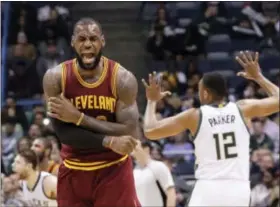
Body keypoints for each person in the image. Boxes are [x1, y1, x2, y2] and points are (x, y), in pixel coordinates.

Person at [142, 51, 280, 206]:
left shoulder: (195, 116)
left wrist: (151, 101)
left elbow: (150, 130)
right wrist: (258, 77)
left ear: (206, 94)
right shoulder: (242, 109)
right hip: (239, 189)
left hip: (210, 187)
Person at [43, 17, 141, 206]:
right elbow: (64, 133)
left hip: (114, 170)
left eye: (93, 39)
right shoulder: (56, 78)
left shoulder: (122, 79)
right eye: (82, 39)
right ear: (73, 43)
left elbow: (129, 131)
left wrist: (78, 118)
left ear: (102, 41)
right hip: (73, 169)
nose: (88, 44)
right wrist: (109, 140)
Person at [132, 141, 176, 207]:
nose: (133, 153)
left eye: (136, 150)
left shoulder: (158, 166)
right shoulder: (134, 172)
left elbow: (170, 192)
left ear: (146, 150)